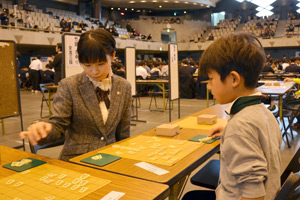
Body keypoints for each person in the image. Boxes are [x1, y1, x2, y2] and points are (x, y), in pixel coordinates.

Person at [20, 29, 132, 161]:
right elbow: (58, 125)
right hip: (77, 160)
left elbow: (123, 133)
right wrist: (45, 129)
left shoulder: (124, 86)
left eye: (101, 64)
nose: (94, 71)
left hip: (112, 158)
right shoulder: (69, 85)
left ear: (113, 56)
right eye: (87, 65)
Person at [198, 33, 281, 200]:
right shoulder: (263, 112)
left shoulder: (240, 127)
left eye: (211, 79)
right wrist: (229, 129)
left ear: (234, 79)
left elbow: (253, 194)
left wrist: (234, 132)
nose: (209, 87)